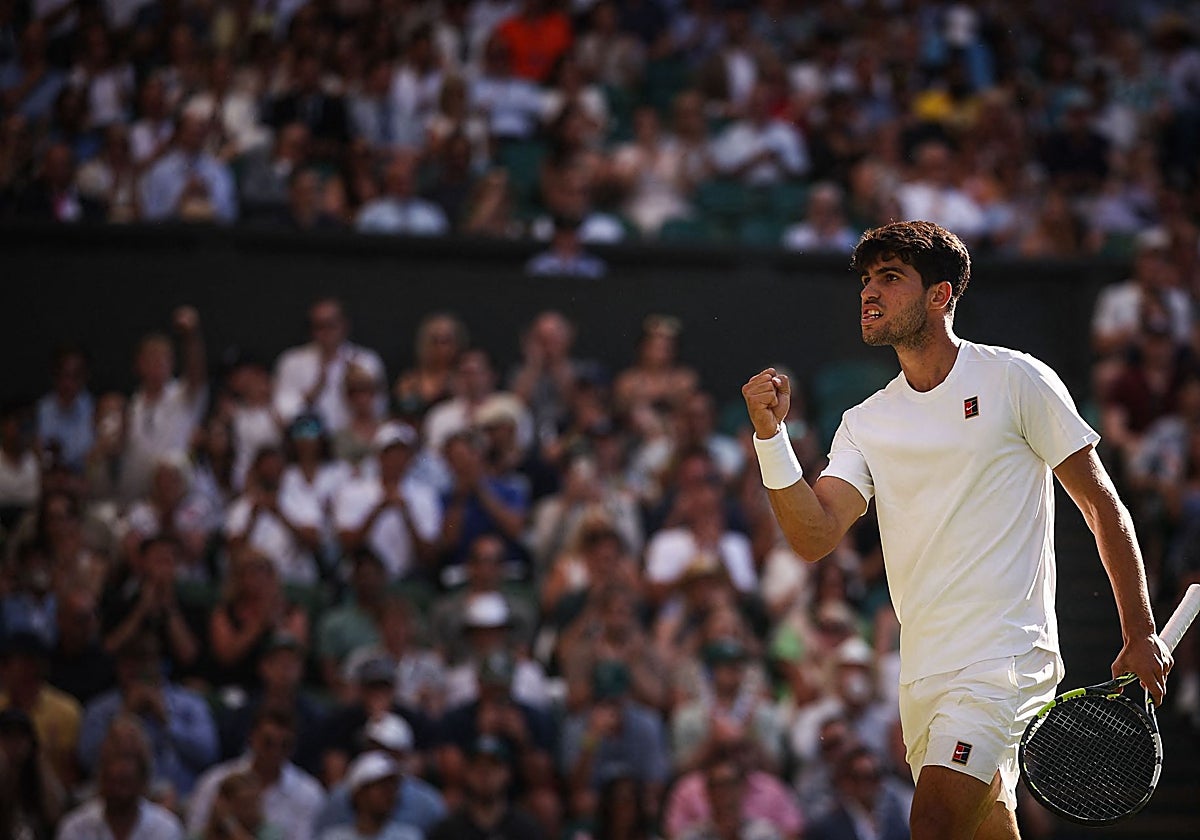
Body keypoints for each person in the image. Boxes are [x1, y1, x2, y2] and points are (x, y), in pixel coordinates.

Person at [740, 219, 1171, 840]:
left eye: (890, 277)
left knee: (934, 825)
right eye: (866, 279)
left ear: (940, 295)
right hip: (921, 677)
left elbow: (1103, 506)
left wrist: (1139, 630)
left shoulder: (1016, 379)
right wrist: (770, 438)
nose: (870, 292)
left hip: (1005, 661)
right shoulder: (865, 422)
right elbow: (815, 536)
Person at [188, 706, 325, 840]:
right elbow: (194, 830)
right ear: (252, 737)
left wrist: (229, 823)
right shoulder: (215, 780)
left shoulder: (308, 793)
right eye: (268, 743)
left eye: (285, 745)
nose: (275, 752)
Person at [56, 715, 186, 840]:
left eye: (128, 757)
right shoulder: (75, 828)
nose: (118, 770)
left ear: (143, 776)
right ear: (100, 773)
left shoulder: (165, 829)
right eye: (113, 758)